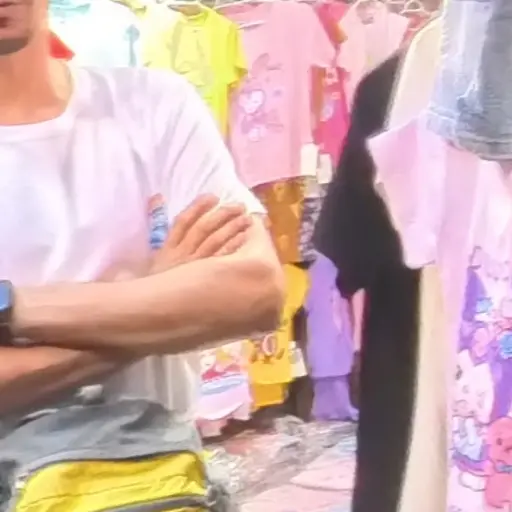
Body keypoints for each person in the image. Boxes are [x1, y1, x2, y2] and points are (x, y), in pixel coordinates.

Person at [0, 0, 284, 507]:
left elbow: (255, 291)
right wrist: (160, 304)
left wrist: (12, 308)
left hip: (156, 485)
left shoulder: (153, 107)